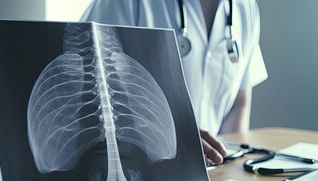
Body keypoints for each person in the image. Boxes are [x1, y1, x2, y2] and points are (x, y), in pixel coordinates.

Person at [80, 0, 267, 166]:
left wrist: (225, 160)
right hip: (143, 169)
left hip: (214, 173)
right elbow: (89, 93)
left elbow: (239, 102)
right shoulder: (124, 4)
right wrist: (170, 138)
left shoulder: (245, 6)